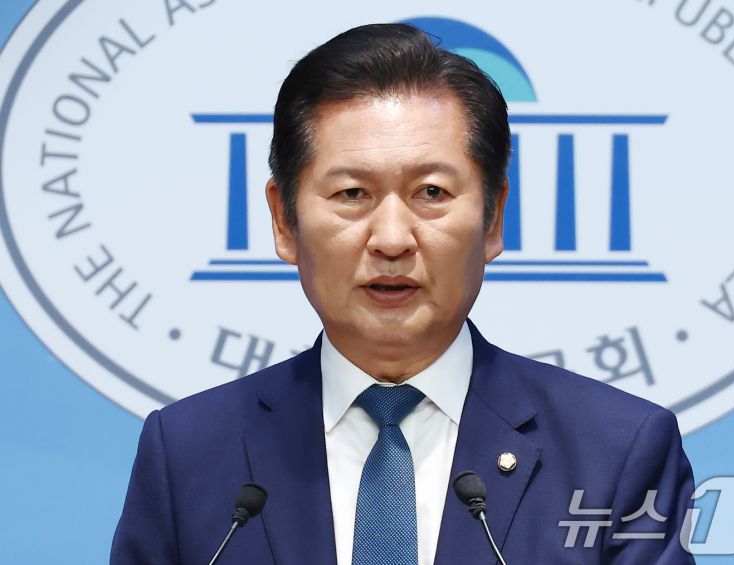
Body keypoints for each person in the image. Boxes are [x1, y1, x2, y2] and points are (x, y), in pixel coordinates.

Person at [111, 23, 695, 564]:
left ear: (493, 219)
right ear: (284, 221)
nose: (391, 239)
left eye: (431, 192)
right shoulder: (188, 451)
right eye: (352, 194)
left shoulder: (618, 451)